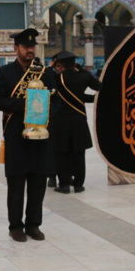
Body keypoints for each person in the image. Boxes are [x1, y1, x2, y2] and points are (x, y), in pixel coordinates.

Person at [0, 29, 55, 242]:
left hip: (41, 138)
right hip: (15, 137)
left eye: (32, 47)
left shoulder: (46, 73)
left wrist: (42, 108)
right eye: (25, 47)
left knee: (38, 183)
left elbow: (55, 100)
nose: (29, 50)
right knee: (16, 184)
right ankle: (16, 226)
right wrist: (29, 104)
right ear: (15, 48)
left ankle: (33, 224)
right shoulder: (3, 73)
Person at [49, 51, 100, 194]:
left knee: (61, 153)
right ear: (74, 63)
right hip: (79, 119)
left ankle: (64, 184)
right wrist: (84, 72)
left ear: (60, 64)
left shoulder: (57, 78)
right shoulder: (84, 76)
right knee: (78, 153)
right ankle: (78, 185)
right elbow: (98, 87)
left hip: (60, 121)